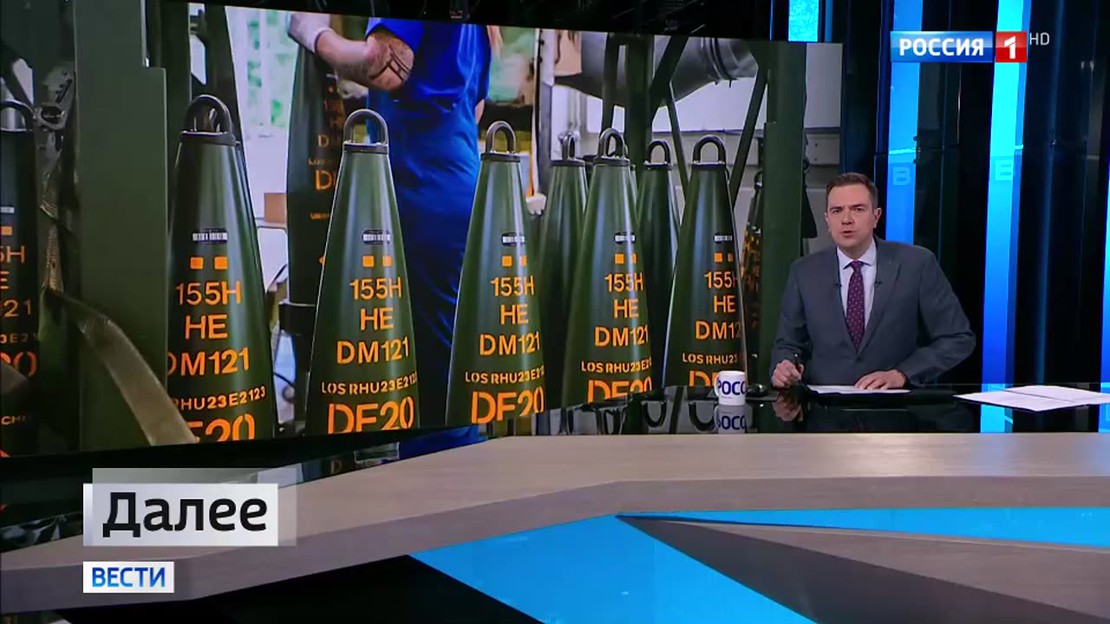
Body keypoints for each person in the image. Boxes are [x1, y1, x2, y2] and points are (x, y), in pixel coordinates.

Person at [288, 14, 497, 426]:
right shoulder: (481, 29)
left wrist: (315, 35)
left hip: (422, 195)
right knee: (449, 357)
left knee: (429, 372)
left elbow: (382, 64)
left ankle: (440, 461)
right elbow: (475, 108)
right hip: (460, 186)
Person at [769, 172, 975, 390]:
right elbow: (787, 344)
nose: (846, 219)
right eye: (837, 211)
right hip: (825, 405)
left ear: (876, 217)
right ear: (827, 220)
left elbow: (958, 338)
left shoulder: (917, 265)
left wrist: (902, 373)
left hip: (896, 403)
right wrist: (785, 366)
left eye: (858, 209)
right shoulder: (805, 271)